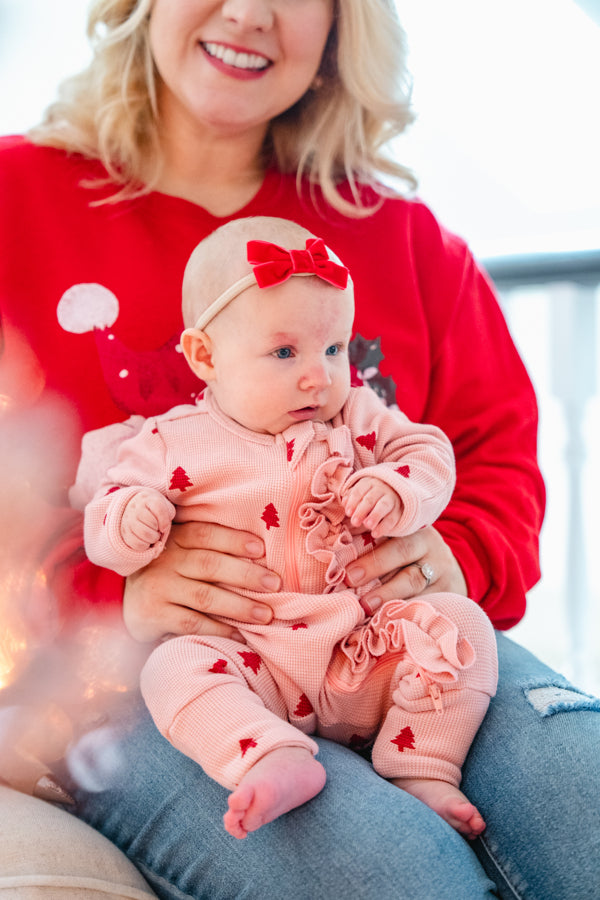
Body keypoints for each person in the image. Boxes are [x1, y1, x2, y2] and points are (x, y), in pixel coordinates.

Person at [0, 0, 598, 898]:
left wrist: (449, 554)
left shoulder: (408, 242)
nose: (249, 13)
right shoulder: (16, 202)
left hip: (380, 637)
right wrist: (106, 589)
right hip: (134, 681)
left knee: (583, 792)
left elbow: (497, 456)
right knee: (393, 874)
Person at [81, 215, 498, 841]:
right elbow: (105, 517)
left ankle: (421, 764)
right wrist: (130, 524)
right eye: (285, 352)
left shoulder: (357, 414)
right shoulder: (170, 440)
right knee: (171, 668)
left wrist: (398, 488)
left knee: (463, 626)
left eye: (334, 350)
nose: (319, 375)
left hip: (363, 650)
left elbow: (430, 451)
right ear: (205, 356)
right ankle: (267, 756)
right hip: (250, 661)